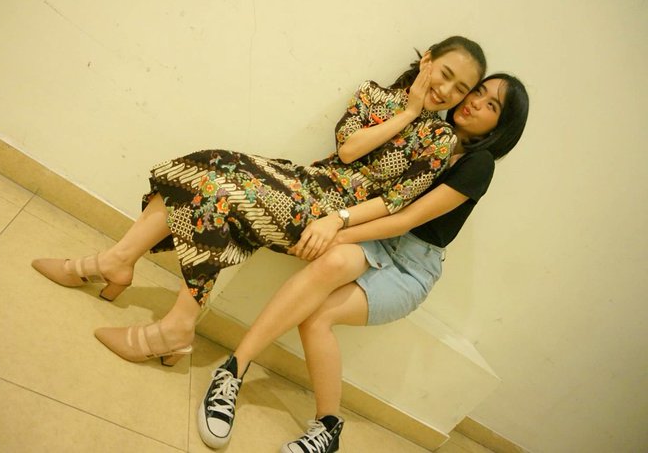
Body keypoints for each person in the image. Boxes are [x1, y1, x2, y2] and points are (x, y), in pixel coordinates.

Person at [31, 36, 486, 367]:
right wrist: (407, 111)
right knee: (204, 165)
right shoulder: (374, 94)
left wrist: (339, 220)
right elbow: (349, 150)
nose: (447, 91)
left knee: (217, 194)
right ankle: (120, 265)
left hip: (324, 214)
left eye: (460, 88)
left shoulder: (440, 139)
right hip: (307, 181)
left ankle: (168, 318)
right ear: (427, 60)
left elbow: (394, 202)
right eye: (445, 74)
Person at [196, 74, 530, 451]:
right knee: (332, 264)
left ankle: (328, 427)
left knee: (317, 317)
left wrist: (337, 229)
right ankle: (233, 370)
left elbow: (405, 219)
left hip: (410, 265)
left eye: (491, 105)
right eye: (479, 91)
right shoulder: (431, 131)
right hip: (376, 237)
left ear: (501, 127)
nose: (475, 102)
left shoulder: (480, 163)